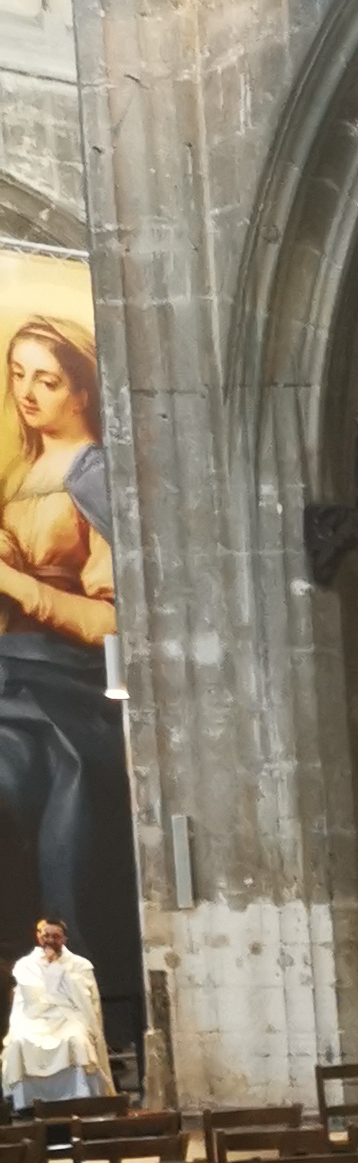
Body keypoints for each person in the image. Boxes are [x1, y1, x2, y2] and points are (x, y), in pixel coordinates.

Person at [0, 321, 137, 999]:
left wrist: (19, 586)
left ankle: (79, 962)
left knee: (63, 767)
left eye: (47, 379)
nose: (27, 392)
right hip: (12, 665)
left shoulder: (95, 475)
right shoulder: (19, 474)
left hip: (73, 677)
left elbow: (114, 619)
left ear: (81, 391)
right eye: (17, 374)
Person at [2, 915, 110, 1109]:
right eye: (46, 936)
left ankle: (81, 1099)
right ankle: (25, 1105)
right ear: (39, 937)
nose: (50, 940)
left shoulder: (80, 964)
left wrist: (57, 968)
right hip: (36, 1017)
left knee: (77, 1040)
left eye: (56, 936)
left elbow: (83, 997)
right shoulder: (25, 965)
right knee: (19, 1041)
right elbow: (29, 999)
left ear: (64, 939)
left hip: (68, 1016)